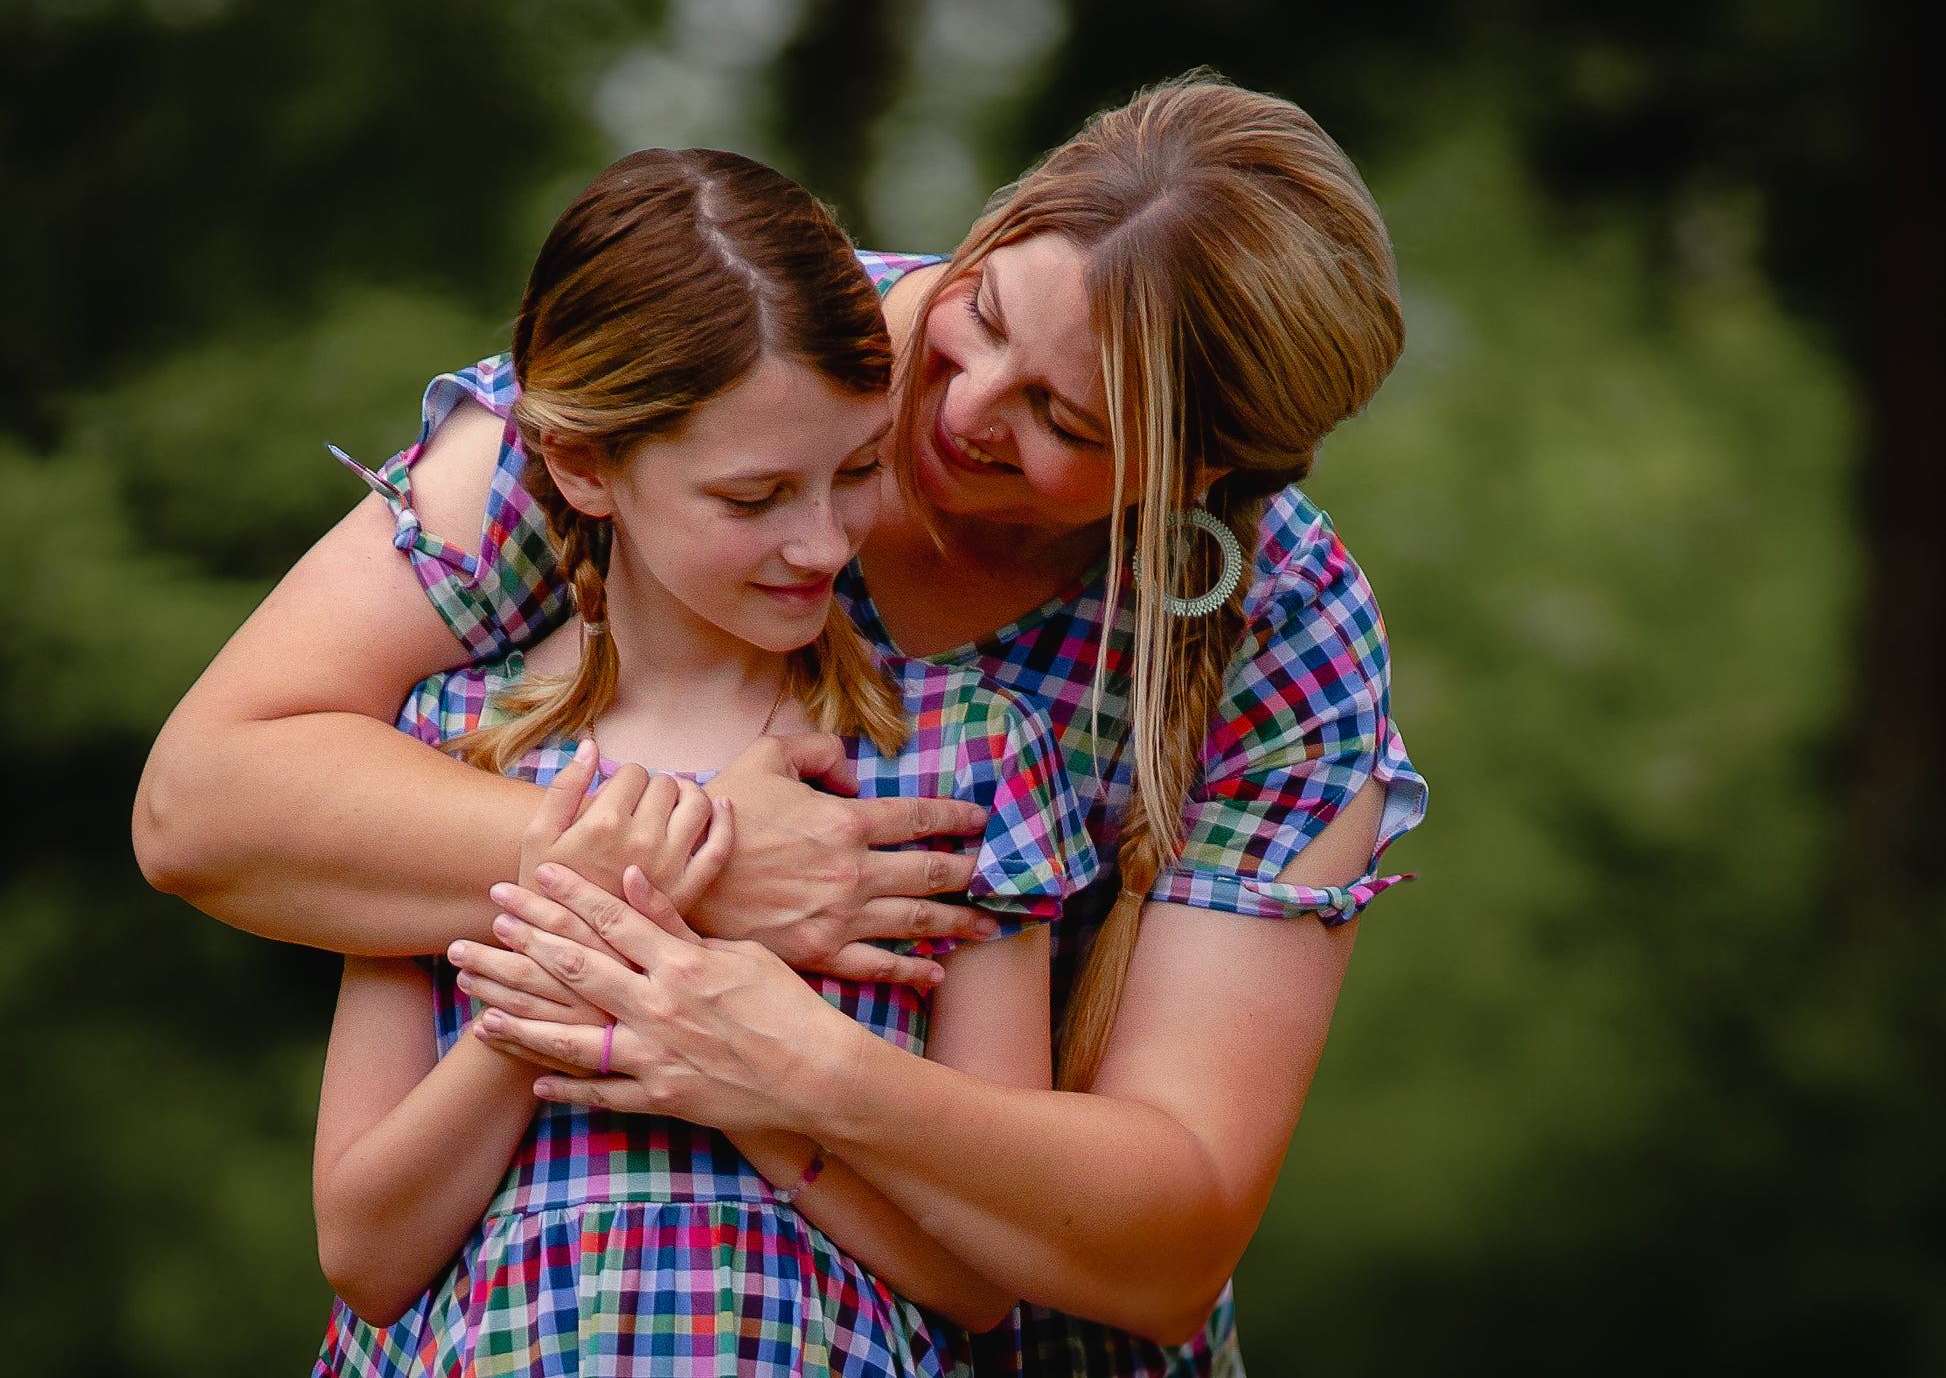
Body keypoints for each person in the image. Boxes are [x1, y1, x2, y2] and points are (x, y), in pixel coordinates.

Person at [135, 73, 1427, 1373]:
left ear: (1205, 473)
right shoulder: (723, 353)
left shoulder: (1278, 641)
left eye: (1064, 420)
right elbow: (204, 803)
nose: (963, 409)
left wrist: (794, 1072)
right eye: (978, 315)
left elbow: (1166, 1243)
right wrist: (702, 867)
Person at [306, 147, 1094, 1376]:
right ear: (580, 464)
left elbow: (982, 1280)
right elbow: (364, 1247)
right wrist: (580, 971)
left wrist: (750, 1078)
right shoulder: (448, 745)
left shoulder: (964, 761)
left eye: (854, 472)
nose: (823, 541)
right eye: (755, 495)